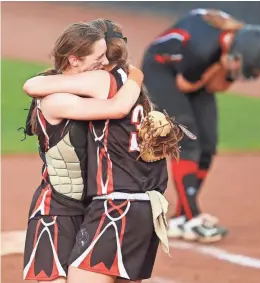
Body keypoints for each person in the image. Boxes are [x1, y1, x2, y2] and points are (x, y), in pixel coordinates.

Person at [23, 19, 185, 283]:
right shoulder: (137, 92)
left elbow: (34, 86)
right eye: (94, 56)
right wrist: (136, 75)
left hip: (109, 206)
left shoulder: (103, 83)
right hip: (136, 206)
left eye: (101, 56)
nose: (99, 62)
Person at [141, 8, 260, 243]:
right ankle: (192, 216)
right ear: (233, 49)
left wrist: (222, 69)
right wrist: (218, 68)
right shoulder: (202, 47)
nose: (237, 70)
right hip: (160, 70)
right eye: (236, 64)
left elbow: (217, 87)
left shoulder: (235, 46)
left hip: (199, 74)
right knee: (187, 136)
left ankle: (182, 216)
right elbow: (186, 86)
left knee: (208, 143)